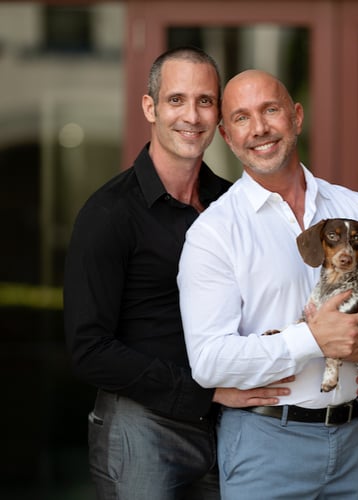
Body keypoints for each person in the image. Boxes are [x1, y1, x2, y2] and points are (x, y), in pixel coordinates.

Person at [178, 69, 358, 499]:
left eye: (271, 110)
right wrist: (313, 340)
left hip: (355, 440)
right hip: (265, 444)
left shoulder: (356, 209)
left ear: (297, 117)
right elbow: (209, 361)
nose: (259, 128)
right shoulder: (214, 232)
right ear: (226, 135)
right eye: (242, 118)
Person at [63, 48, 293, 500]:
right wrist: (205, 393)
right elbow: (89, 349)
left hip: (233, 425)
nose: (192, 115)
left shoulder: (235, 204)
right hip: (143, 427)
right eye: (176, 100)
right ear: (150, 108)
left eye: (205, 101)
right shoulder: (109, 213)